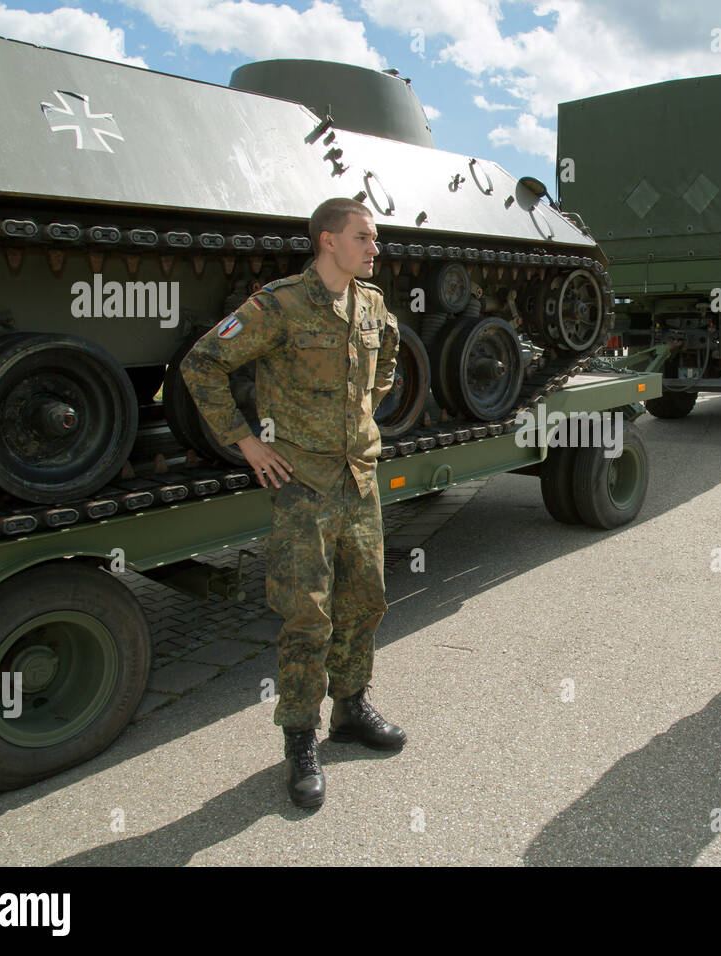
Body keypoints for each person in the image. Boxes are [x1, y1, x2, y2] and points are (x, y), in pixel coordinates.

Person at [181, 197, 405, 809]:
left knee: (367, 598)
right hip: (302, 482)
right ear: (328, 241)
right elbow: (202, 364)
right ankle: (300, 739)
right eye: (363, 236)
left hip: (358, 476)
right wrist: (248, 442)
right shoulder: (277, 304)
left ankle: (353, 708)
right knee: (308, 615)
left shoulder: (372, 303)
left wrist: (363, 412)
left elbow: (387, 360)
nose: (374, 247)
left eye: (375, 237)